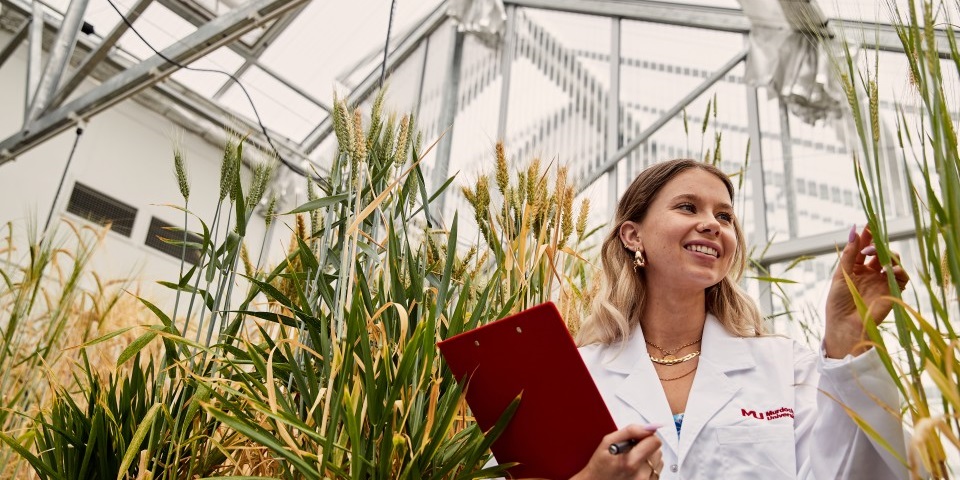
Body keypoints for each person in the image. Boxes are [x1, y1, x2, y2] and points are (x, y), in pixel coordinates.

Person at [569, 159, 909, 480]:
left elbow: (851, 471)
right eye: (687, 207)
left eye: (725, 217)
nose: (712, 225)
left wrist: (848, 340)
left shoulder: (785, 365)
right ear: (632, 236)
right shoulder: (579, 373)